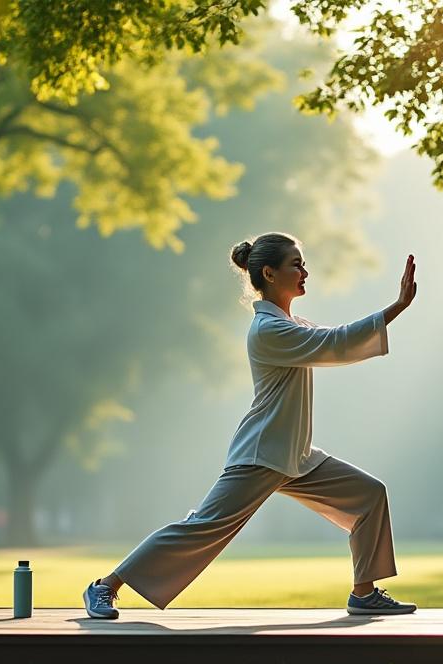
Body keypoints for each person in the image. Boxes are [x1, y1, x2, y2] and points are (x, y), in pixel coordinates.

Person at [82, 233, 419, 619]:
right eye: (297, 264)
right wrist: (397, 307)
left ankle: (364, 592)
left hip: (296, 456)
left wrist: (391, 311)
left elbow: (335, 339)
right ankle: (104, 587)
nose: (305, 271)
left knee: (368, 495)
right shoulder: (270, 331)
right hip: (262, 455)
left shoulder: (289, 323)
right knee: (201, 529)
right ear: (269, 274)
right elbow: (336, 342)